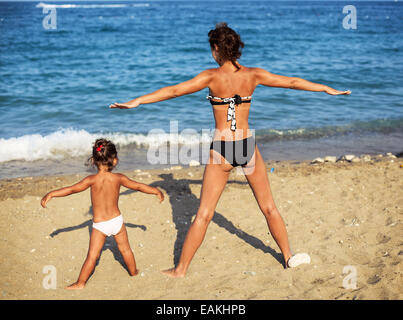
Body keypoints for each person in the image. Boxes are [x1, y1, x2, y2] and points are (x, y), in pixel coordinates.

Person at [110, 22, 350, 278]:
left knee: (203, 213)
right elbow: (291, 82)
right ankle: (288, 256)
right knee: (268, 207)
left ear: (216, 50)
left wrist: (137, 101)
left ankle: (180, 270)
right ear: (237, 49)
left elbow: (174, 91)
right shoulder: (253, 75)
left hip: (222, 149)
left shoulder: (210, 77)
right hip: (246, 145)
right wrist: (326, 88)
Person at [40, 138, 164, 288]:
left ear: (93, 160)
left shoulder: (91, 180)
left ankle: (80, 283)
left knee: (92, 256)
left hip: (100, 225)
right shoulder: (118, 178)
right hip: (117, 221)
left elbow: (72, 189)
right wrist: (155, 191)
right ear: (114, 160)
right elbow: (137, 186)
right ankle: (134, 272)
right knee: (125, 249)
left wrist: (52, 194)